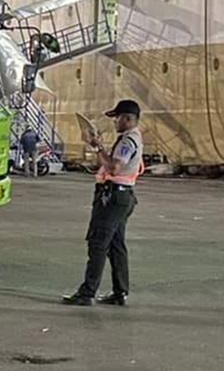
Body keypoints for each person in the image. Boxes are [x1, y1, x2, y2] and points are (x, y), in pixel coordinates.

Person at [62, 99, 144, 307]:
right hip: (122, 195)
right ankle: (120, 291)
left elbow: (115, 168)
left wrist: (98, 148)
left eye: (117, 118)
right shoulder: (132, 138)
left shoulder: (127, 141)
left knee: (98, 243)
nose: (115, 122)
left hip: (113, 197)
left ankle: (88, 292)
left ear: (128, 118)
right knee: (116, 245)